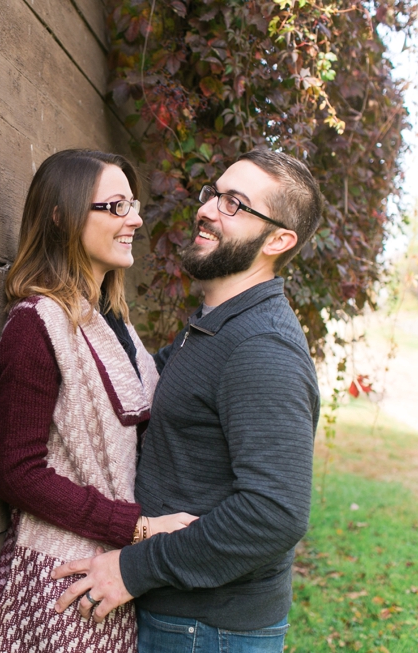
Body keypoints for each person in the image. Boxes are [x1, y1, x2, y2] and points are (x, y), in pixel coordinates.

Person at [52, 148, 324, 653]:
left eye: (235, 204)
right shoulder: (215, 328)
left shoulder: (262, 346)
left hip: (208, 629)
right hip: (185, 621)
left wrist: (134, 569)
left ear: (279, 240)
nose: (207, 209)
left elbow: (276, 513)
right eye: (214, 194)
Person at [0, 149, 197, 652]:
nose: (136, 219)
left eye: (134, 205)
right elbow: (18, 471)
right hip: (61, 583)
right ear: (62, 215)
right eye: (116, 206)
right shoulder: (38, 324)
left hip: (111, 576)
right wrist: (138, 527)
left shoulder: (114, 324)